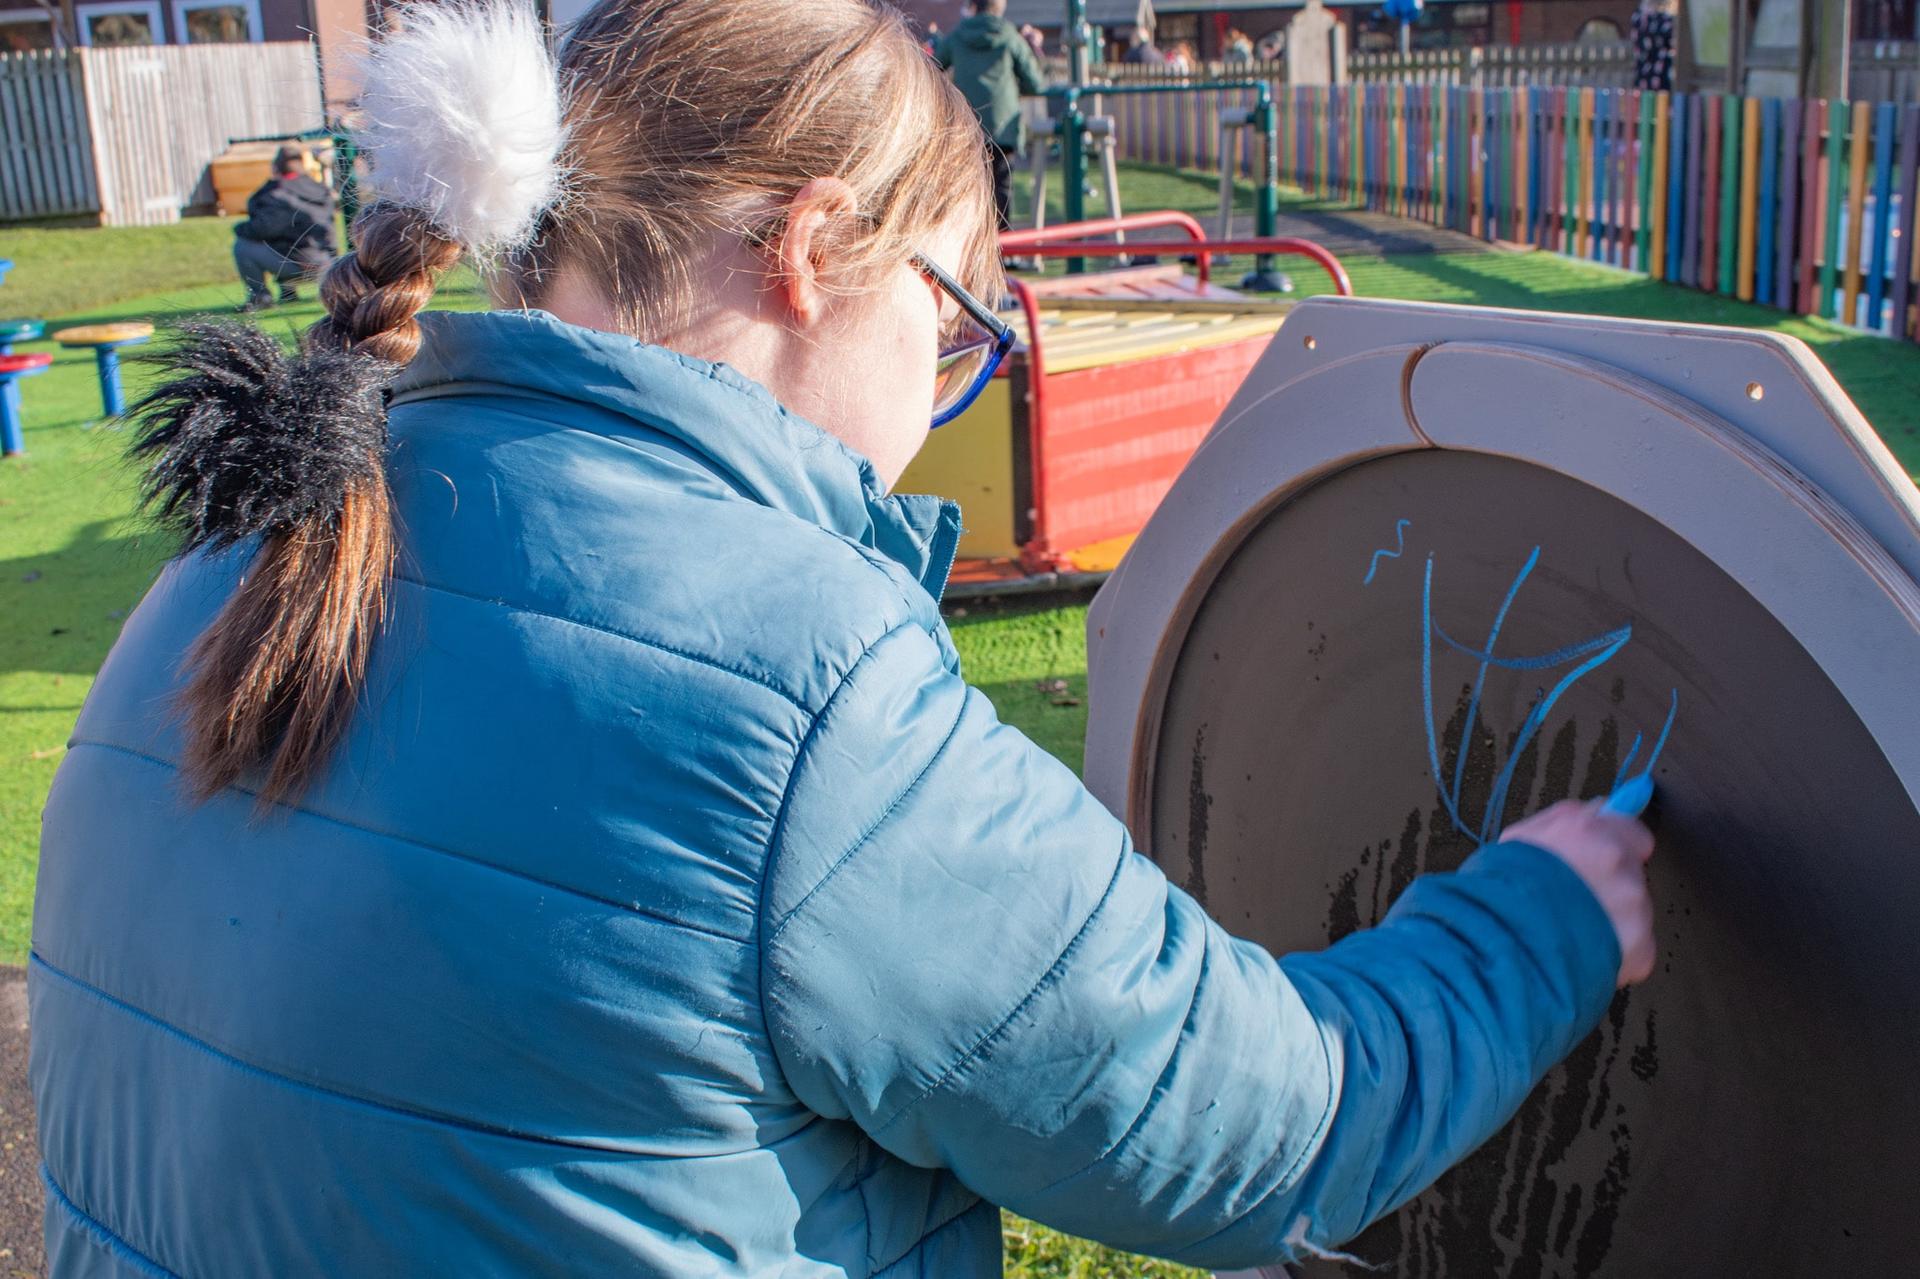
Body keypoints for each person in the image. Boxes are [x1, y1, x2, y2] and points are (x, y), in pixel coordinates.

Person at [30, 1, 1656, 1275]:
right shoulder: (793, 680)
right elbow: (1262, 1133)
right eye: (954, 329)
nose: (943, 395)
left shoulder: (243, 554)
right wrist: (1544, 915)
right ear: (813, 253)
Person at [935, 0, 1045, 230]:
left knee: (970, 189)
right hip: (1002, 125)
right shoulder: (1010, 36)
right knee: (1002, 188)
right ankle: (1003, 244)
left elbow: (932, 67)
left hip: (967, 124)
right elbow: (1035, 83)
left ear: (974, 5)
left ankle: (973, 242)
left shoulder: (957, 36)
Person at [230, 143, 337, 312]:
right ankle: (288, 293)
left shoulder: (277, 193)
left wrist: (238, 228)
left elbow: (264, 229)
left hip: (302, 266)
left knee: (244, 245)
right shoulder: (319, 188)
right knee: (288, 238)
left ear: (276, 166)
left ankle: (260, 297)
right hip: (329, 263)